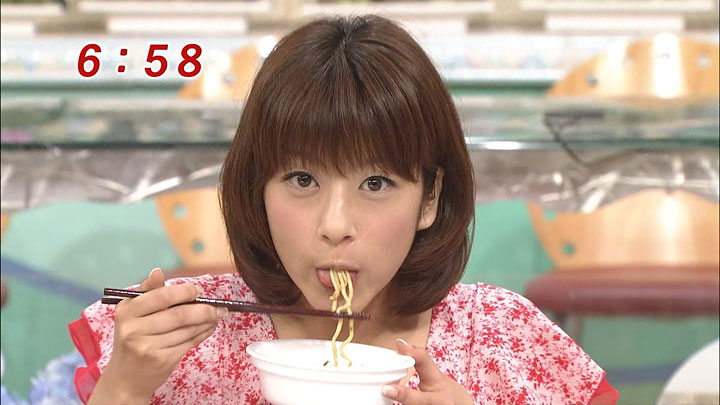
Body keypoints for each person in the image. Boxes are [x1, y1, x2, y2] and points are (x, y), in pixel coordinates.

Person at [68, 15, 618, 405]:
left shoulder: (500, 339)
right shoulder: (188, 345)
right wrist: (125, 389)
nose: (334, 226)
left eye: (376, 183)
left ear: (429, 198)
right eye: (302, 179)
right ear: (258, 189)